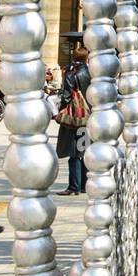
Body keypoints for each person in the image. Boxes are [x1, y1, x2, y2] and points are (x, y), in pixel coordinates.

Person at [56, 46, 91, 195]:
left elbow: (66, 96)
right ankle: (84, 185)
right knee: (84, 149)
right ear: (86, 58)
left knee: (74, 152)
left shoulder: (72, 73)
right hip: (88, 115)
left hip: (74, 117)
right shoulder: (90, 72)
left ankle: (73, 186)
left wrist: (62, 109)